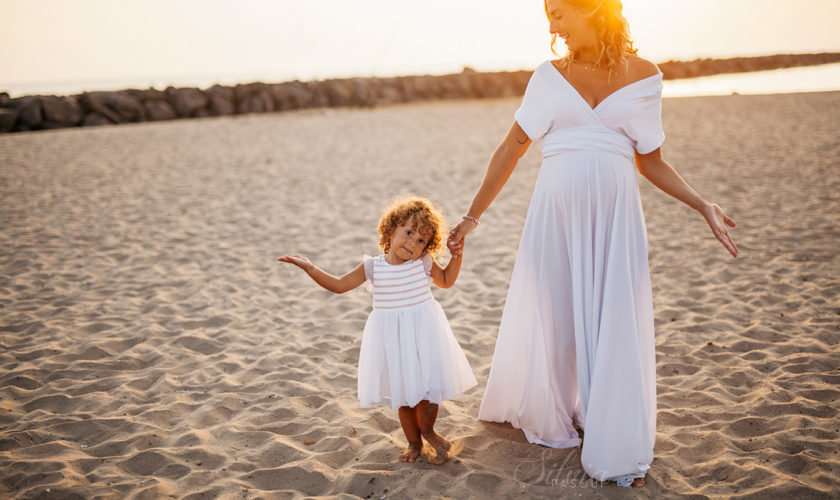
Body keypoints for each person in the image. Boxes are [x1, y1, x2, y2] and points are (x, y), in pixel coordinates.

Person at [446, 0, 738, 488]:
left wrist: (701, 203)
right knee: (556, 312)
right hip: (554, 215)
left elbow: (653, 162)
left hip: (615, 218)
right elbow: (511, 148)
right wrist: (473, 216)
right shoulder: (547, 76)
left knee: (612, 314)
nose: (552, 23)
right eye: (549, 15)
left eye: (560, 12)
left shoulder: (645, 76)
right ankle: (561, 407)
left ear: (594, 9)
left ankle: (613, 431)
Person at [279, 196, 477, 464]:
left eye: (421, 240)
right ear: (390, 229)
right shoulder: (373, 266)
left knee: (429, 392)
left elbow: (446, 281)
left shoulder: (423, 263)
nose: (412, 243)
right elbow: (339, 285)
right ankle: (413, 443)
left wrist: (457, 256)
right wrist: (310, 268)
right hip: (394, 340)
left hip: (425, 335)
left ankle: (429, 430)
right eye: (408, 233)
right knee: (404, 397)